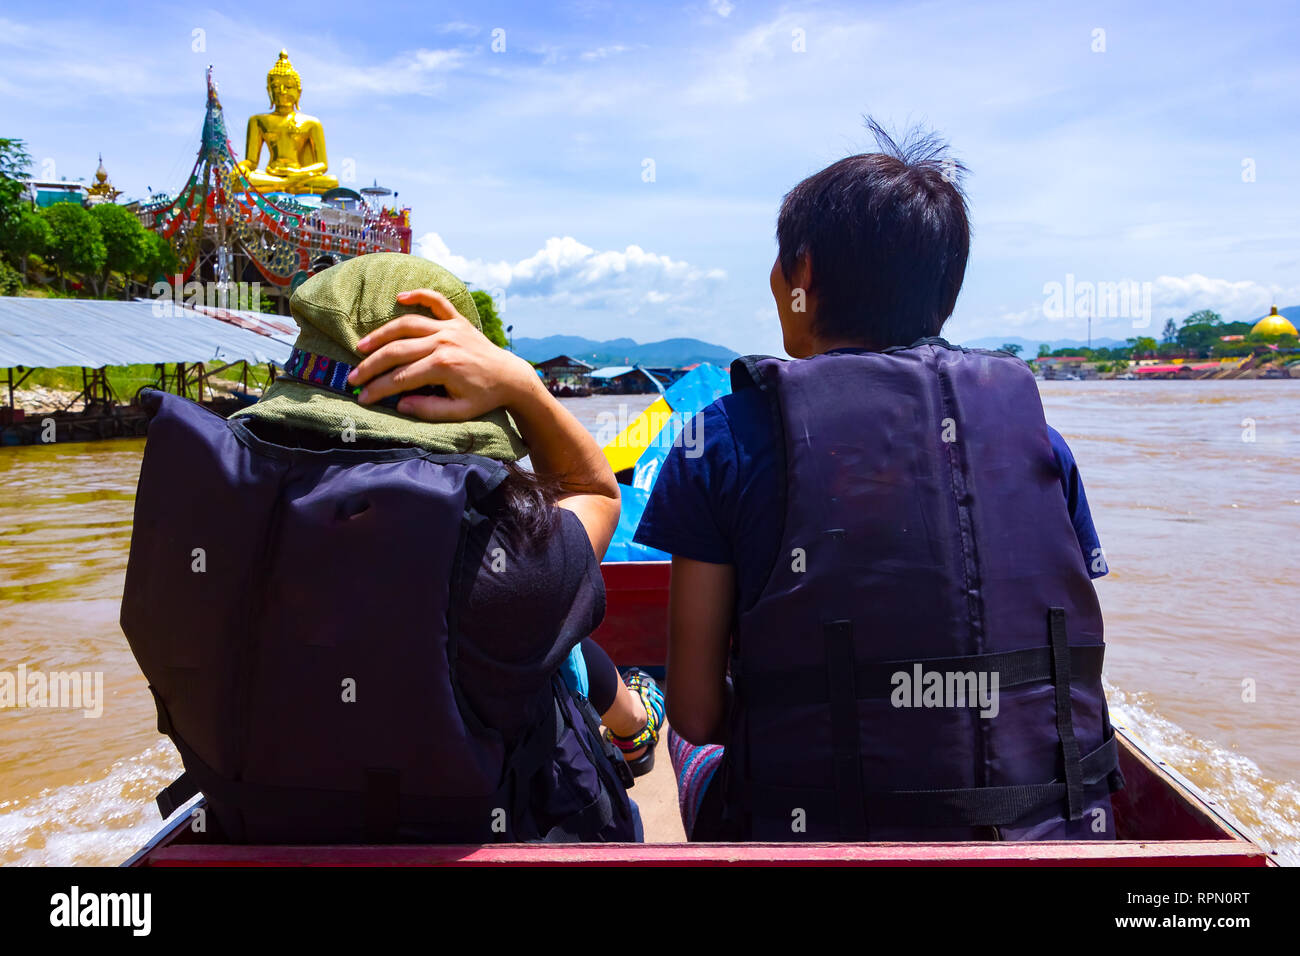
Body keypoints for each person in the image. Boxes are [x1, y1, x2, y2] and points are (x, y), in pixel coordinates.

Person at [634, 122, 1123, 842]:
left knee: (675, 732)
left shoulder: (721, 441)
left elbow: (699, 713)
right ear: (943, 292)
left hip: (814, 840)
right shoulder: (1040, 441)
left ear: (801, 275)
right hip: (1058, 834)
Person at [121, 252, 659, 844]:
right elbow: (592, 491)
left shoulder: (195, 532)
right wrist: (525, 386)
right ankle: (636, 721)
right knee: (558, 649)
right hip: (486, 835)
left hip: (263, 834)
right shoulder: (503, 565)